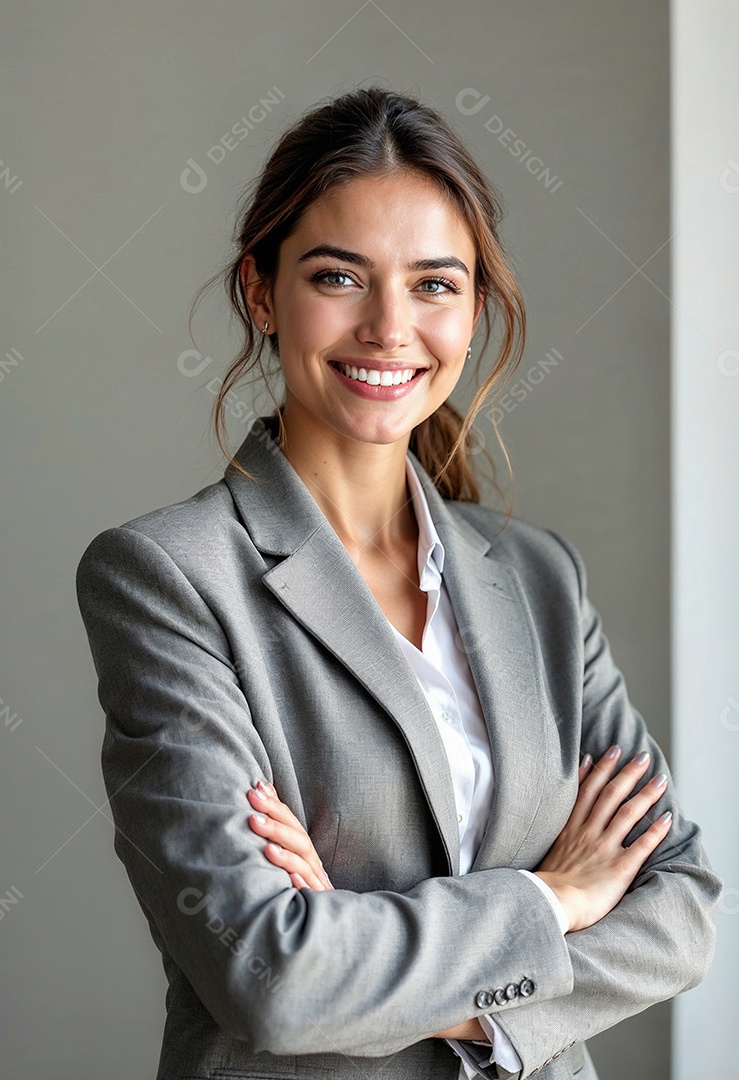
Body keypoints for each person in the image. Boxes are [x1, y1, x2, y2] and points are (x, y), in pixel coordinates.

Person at [75, 86, 721, 1080]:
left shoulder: (540, 578)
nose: (389, 327)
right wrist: (556, 901)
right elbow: (273, 981)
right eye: (339, 277)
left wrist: (361, 944)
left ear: (472, 310)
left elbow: (677, 912)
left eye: (433, 285)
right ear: (260, 290)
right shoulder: (167, 578)